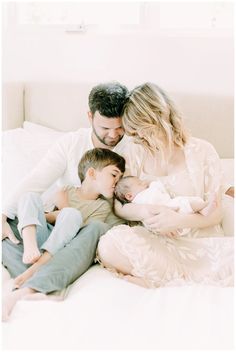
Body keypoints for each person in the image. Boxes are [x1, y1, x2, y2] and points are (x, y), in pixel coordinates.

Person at [97, 82, 234, 288]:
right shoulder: (135, 152)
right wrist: (145, 211)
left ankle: (169, 279)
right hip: (159, 244)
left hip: (201, 244)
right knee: (109, 245)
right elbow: (119, 204)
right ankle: (173, 277)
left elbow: (216, 213)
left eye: (143, 130)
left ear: (160, 119)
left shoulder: (202, 151)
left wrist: (178, 220)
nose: (140, 137)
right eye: (134, 132)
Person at [2, 82, 129, 301]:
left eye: (119, 128)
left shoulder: (132, 149)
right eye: (105, 128)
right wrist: (3, 214)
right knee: (13, 225)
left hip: (84, 233)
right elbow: (36, 181)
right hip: (55, 227)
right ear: (90, 117)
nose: (113, 135)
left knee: (97, 228)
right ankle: (39, 277)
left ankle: (38, 281)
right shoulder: (71, 143)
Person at [3, 148, 126, 321]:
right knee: (28, 198)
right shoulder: (66, 190)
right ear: (92, 173)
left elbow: (82, 236)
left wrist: (65, 209)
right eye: (114, 175)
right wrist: (58, 213)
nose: (117, 182)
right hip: (44, 239)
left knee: (75, 217)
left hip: (63, 248)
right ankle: (31, 254)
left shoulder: (103, 206)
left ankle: (34, 275)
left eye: (120, 178)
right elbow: (44, 217)